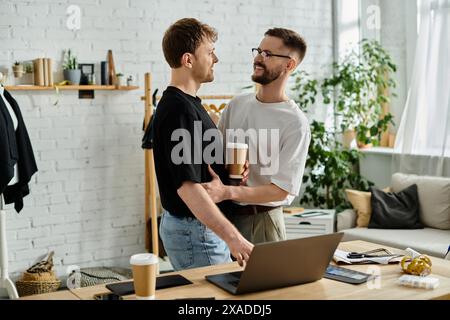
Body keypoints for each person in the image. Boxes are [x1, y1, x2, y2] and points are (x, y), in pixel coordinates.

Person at [153, 18, 253, 271]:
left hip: (198, 229)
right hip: (195, 232)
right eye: (209, 52)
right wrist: (234, 238)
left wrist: (229, 175)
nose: (215, 59)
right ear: (188, 60)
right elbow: (188, 188)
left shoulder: (191, 105)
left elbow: (199, 169)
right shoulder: (179, 110)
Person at [202, 28, 311, 244]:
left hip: (262, 222)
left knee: (263, 279)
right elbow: (217, 156)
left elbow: (280, 191)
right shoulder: (237, 104)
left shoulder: (295, 123)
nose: (258, 58)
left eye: (268, 54)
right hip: (225, 218)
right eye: (259, 51)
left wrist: (228, 193)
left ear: (289, 65)